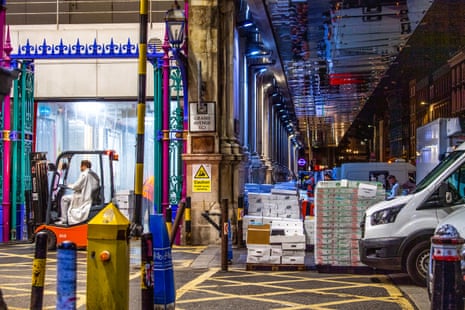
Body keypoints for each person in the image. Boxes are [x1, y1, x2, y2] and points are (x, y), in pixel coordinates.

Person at [55, 160, 100, 225]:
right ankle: (65, 217)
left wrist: (68, 185)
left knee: (64, 199)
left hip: (83, 197)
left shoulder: (85, 174)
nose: (80, 168)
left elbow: (76, 186)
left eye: (81, 166)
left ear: (84, 166)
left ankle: (64, 220)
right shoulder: (93, 174)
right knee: (69, 198)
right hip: (89, 197)